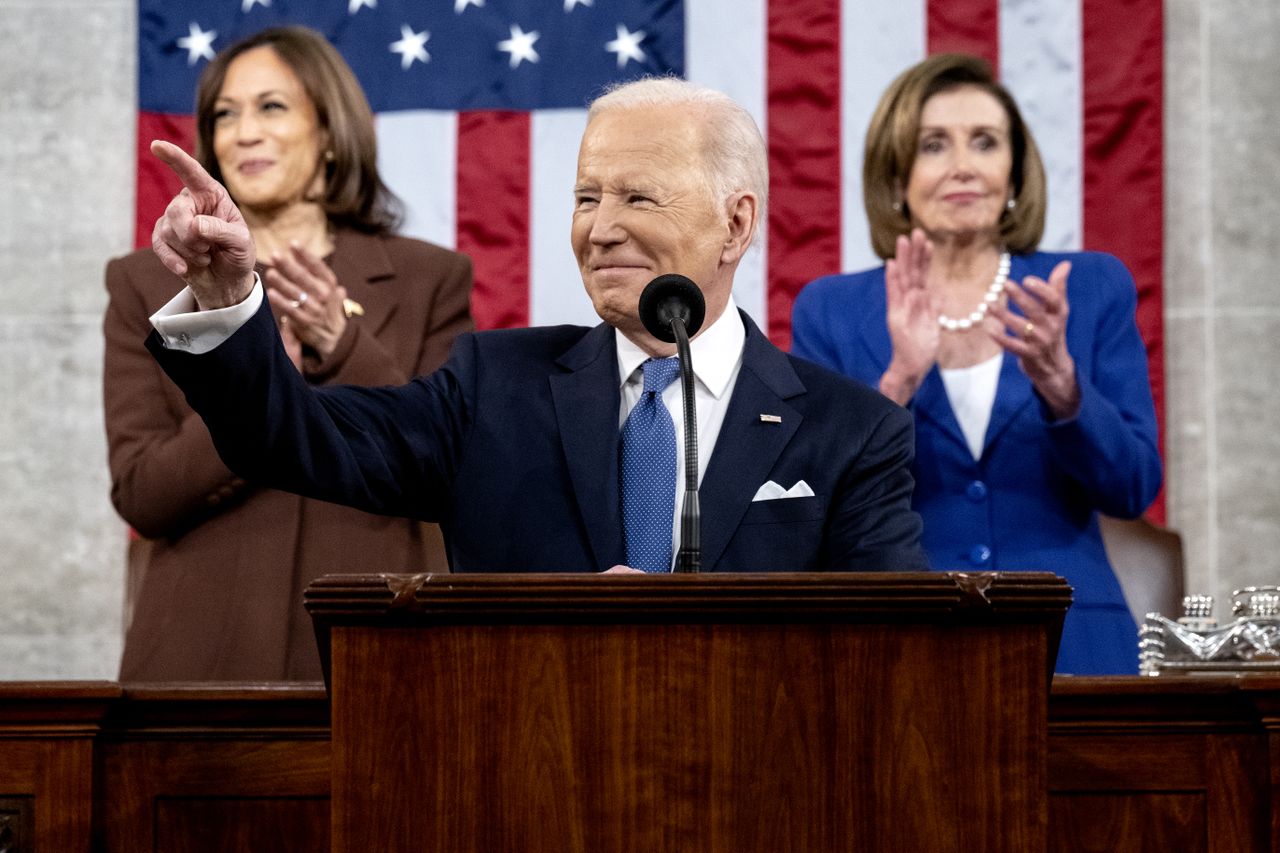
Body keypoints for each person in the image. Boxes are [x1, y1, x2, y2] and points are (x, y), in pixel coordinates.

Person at [140, 77, 928, 576]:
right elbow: (288, 436)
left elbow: (890, 655)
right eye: (588, 199)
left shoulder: (853, 433)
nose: (601, 228)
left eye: (637, 198)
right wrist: (228, 297)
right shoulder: (493, 388)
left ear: (736, 223)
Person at [104, 26, 473, 681]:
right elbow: (143, 494)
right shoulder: (146, 282)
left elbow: (444, 471)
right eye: (226, 113)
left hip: (380, 653)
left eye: (271, 106)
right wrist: (248, 371)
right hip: (201, 660)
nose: (244, 131)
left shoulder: (429, 279)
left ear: (329, 130)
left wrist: (344, 343)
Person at [790, 54, 1162, 674]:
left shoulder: (1091, 288)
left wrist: (1064, 390)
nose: (963, 166)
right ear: (896, 175)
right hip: (907, 645)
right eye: (934, 145)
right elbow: (812, 504)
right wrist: (898, 383)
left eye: (985, 143)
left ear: (1014, 172)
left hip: (1074, 644)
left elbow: (1133, 489)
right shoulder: (831, 310)